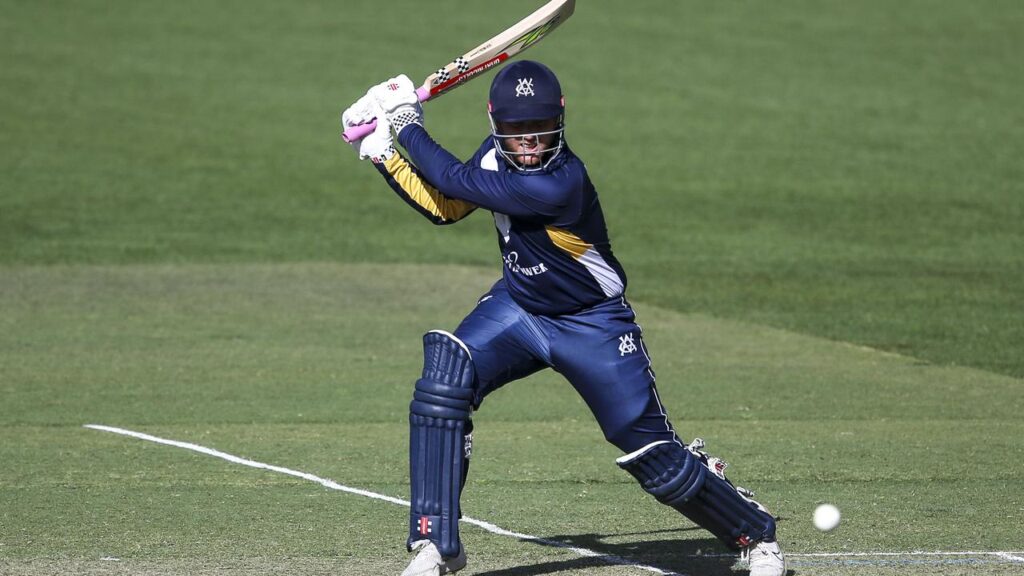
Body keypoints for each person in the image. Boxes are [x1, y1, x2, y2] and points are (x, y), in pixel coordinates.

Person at [341, 61, 786, 576]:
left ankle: (756, 533)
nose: (527, 145)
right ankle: (435, 546)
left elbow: (449, 176)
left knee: (653, 458)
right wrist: (378, 150)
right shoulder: (494, 158)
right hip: (521, 307)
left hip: (592, 324)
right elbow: (447, 204)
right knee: (445, 381)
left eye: (538, 133)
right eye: (514, 133)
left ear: (559, 122)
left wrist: (405, 121)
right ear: (494, 124)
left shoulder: (560, 183)